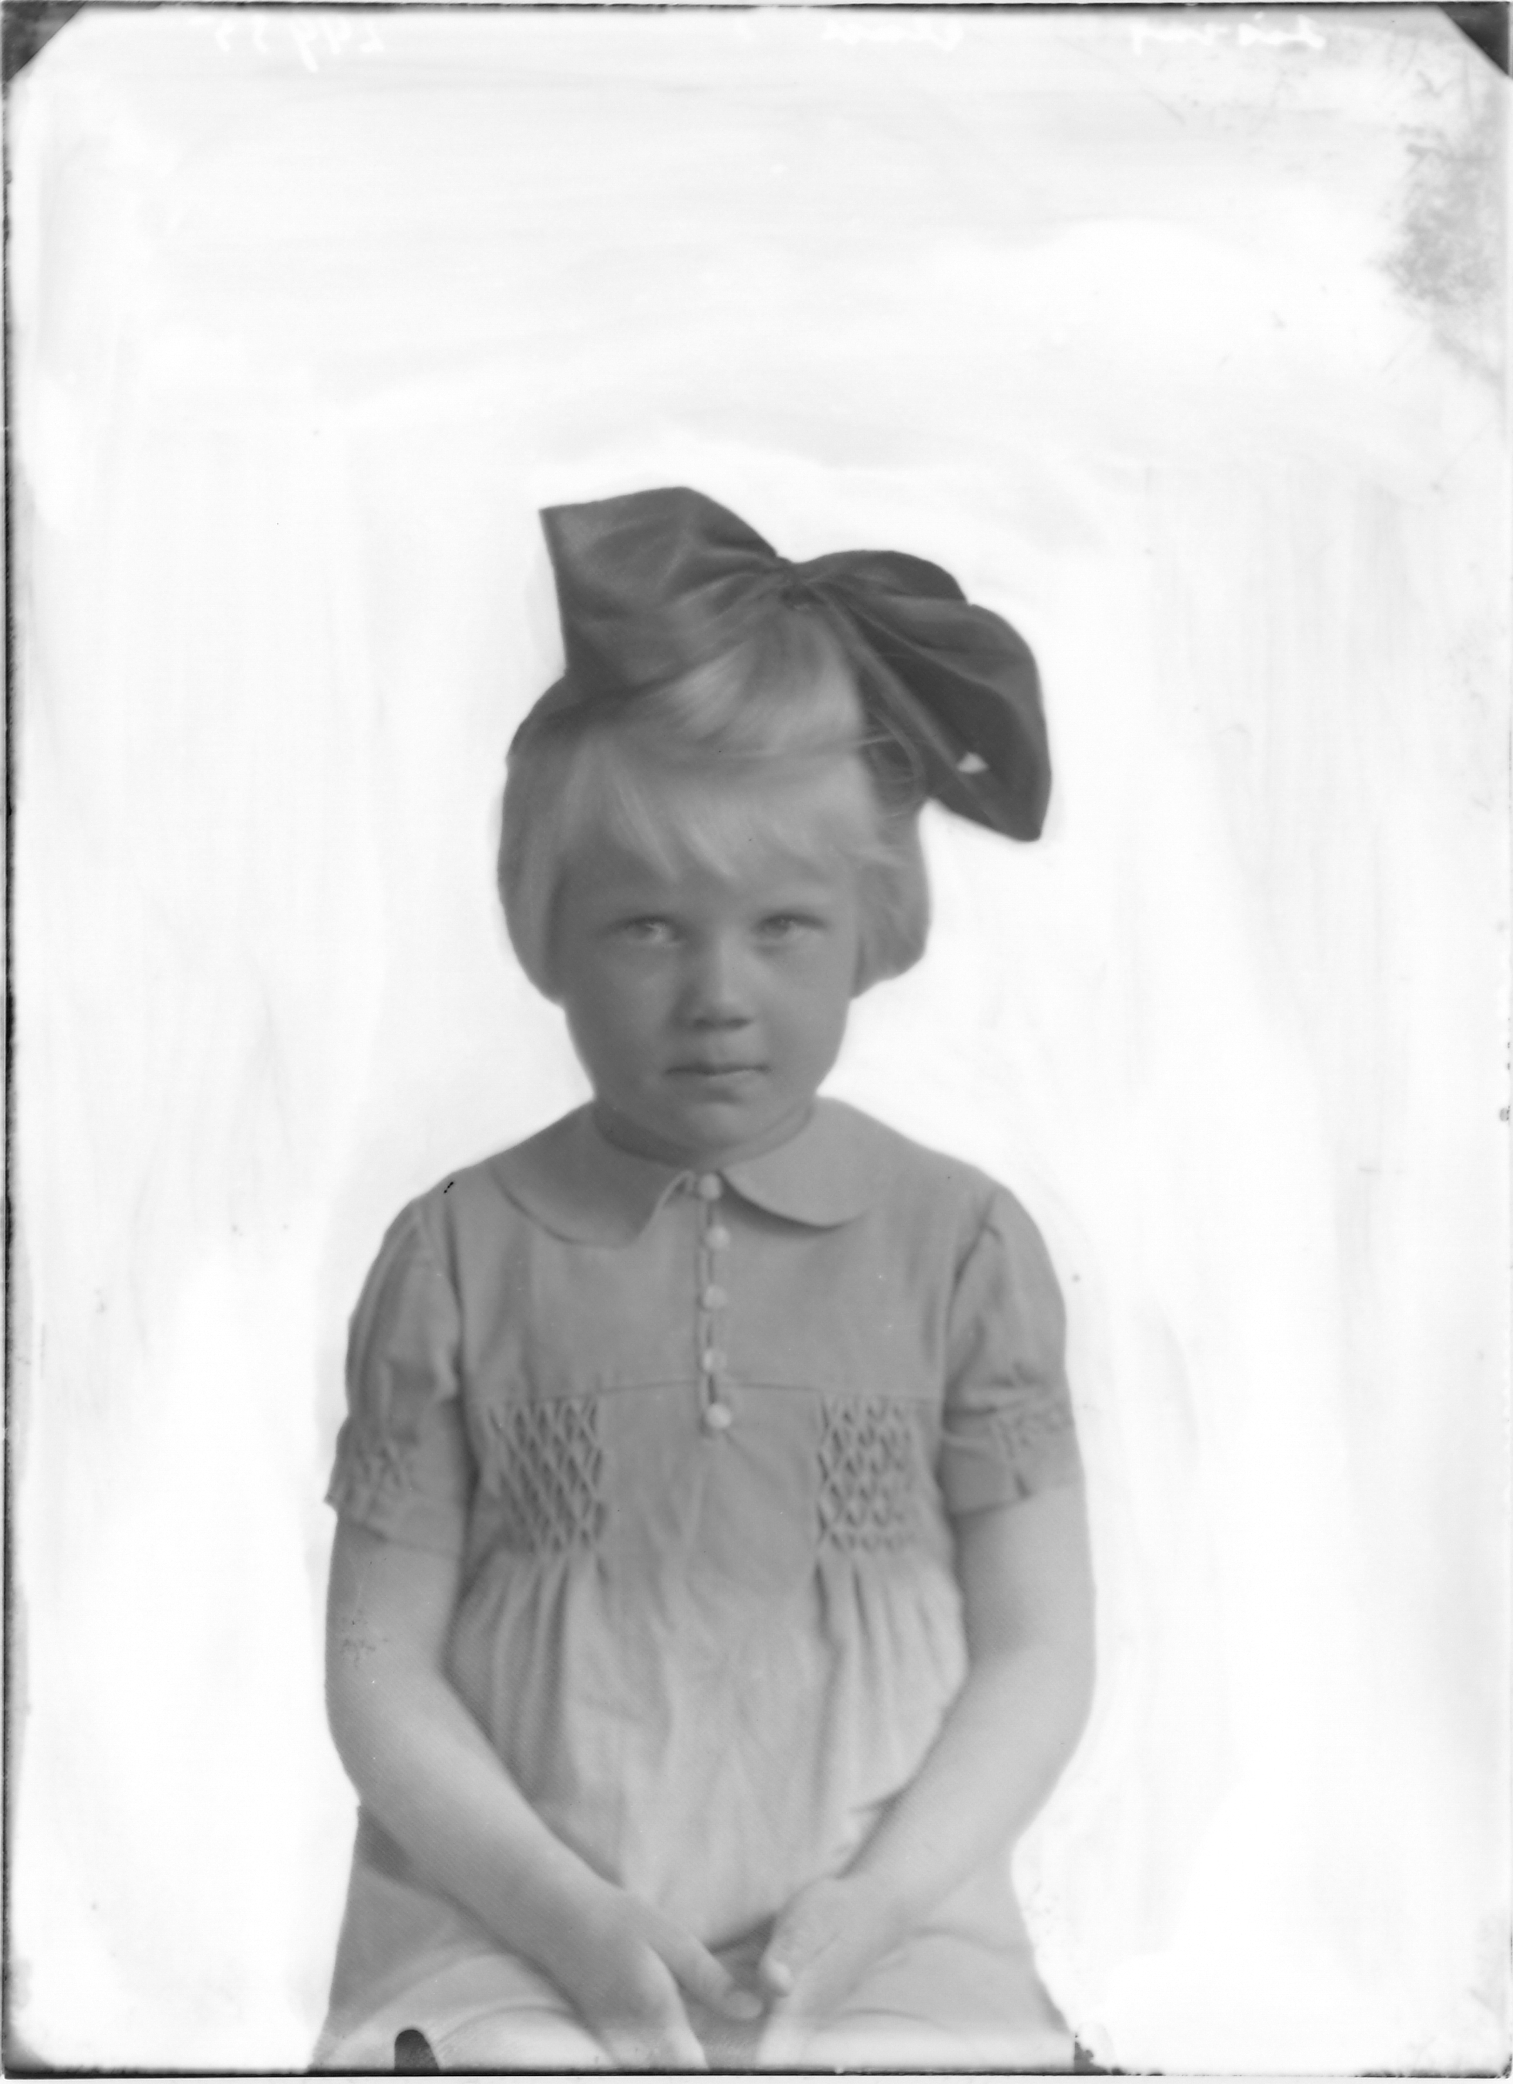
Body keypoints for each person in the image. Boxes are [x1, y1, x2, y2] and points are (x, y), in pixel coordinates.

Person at [314, 487, 1096, 2072]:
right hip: (509, 1925)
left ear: (871, 925)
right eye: (648, 929)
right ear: (548, 933)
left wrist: (878, 1905)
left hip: (882, 1936)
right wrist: (566, 1918)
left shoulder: (958, 1244)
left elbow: (1039, 1650)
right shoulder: (457, 1252)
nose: (719, 994)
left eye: (783, 926)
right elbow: (378, 1674)